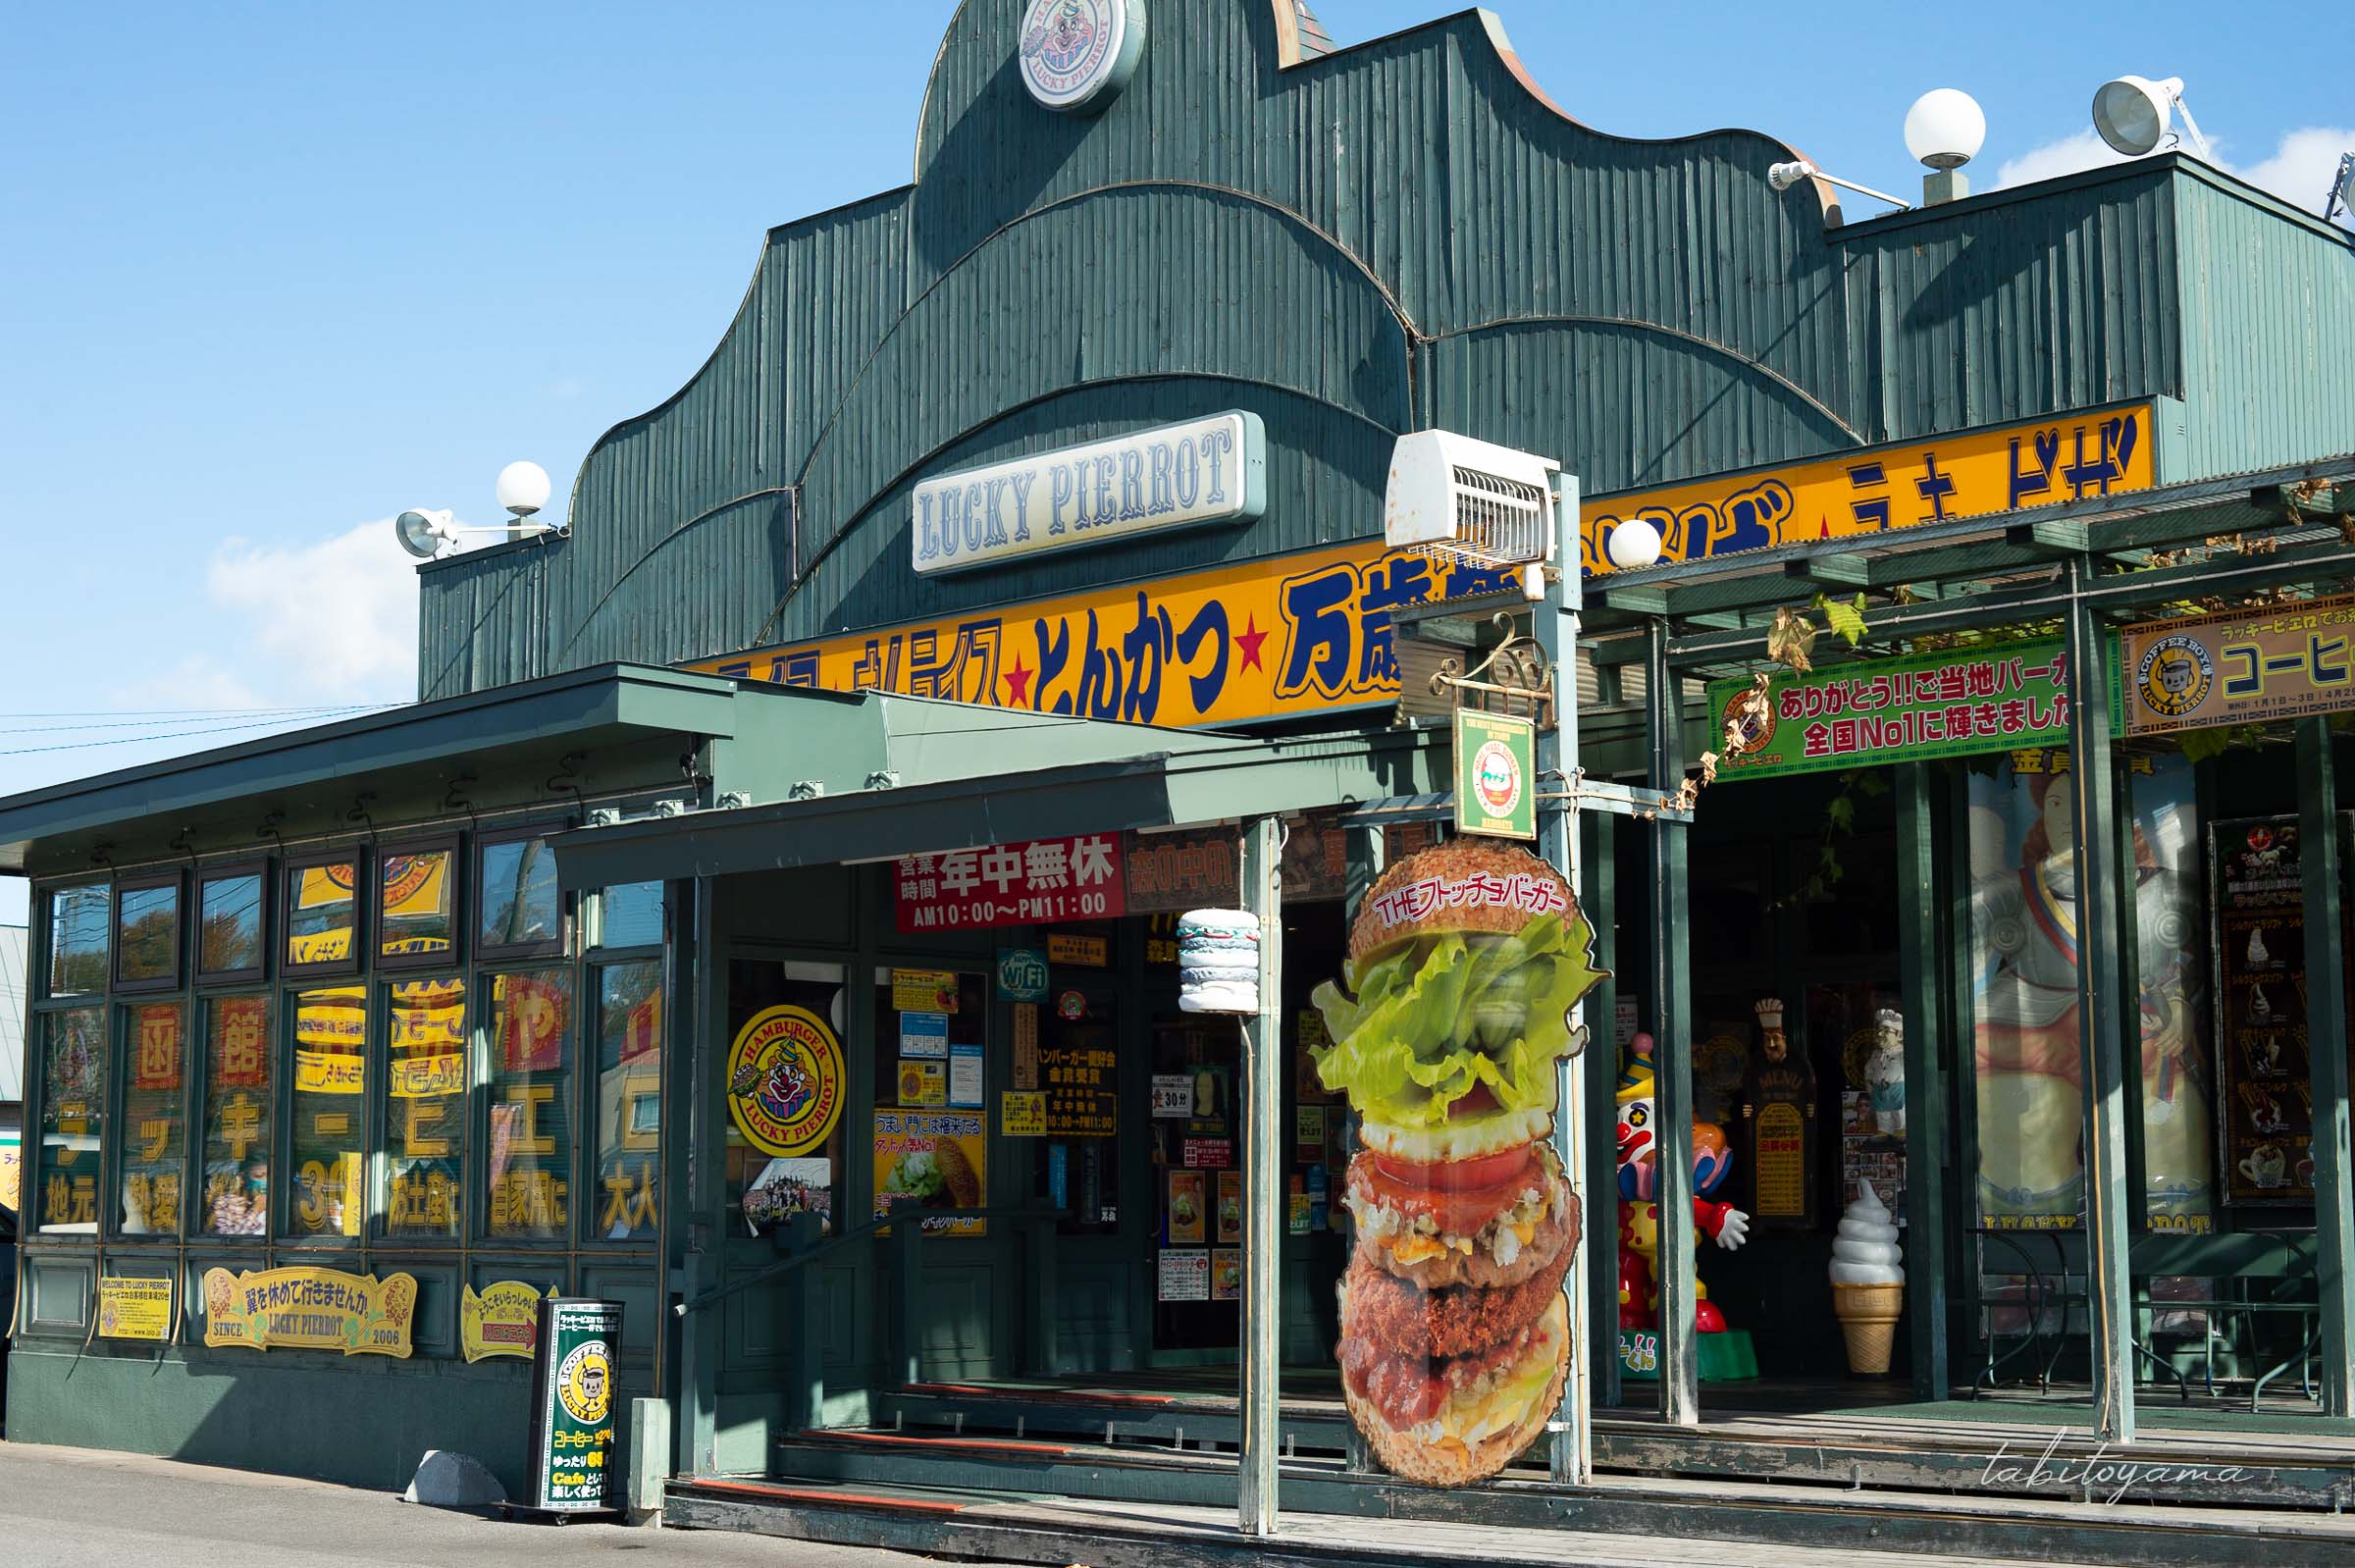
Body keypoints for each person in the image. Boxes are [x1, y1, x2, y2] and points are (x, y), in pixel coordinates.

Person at [211, 1157, 267, 1236]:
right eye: (259, 1176)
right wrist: (256, 1210)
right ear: (242, 1178)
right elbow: (227, 1240)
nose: (265, 1181)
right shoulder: (226, 1203)